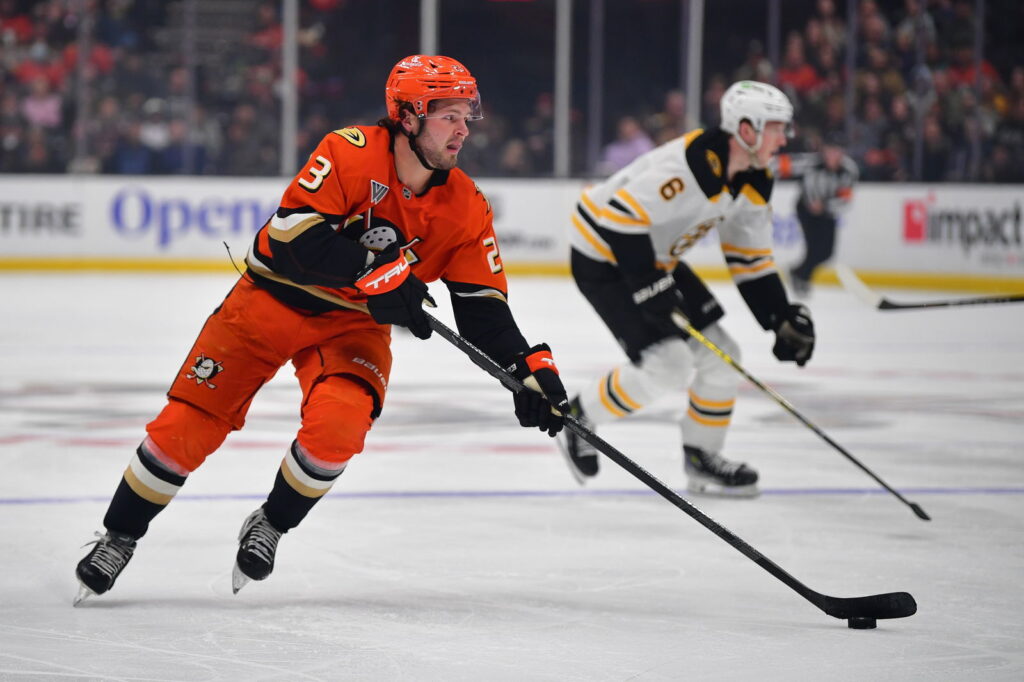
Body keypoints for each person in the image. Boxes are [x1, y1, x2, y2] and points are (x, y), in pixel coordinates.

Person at [73, 55, 571, 604]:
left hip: (352, 327)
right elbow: (291, 237)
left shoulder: (467, 208)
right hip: (269, 302)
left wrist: (525, 367)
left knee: (340, 427)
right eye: (447, 115)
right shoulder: (349, 151)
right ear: (408, 117)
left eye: (465, 115)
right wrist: (377, 271)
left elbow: (482, 308)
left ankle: (271, 523)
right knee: (186, 428)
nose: (463, 129)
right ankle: (119, 536)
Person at [558, 80, 815, 497]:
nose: (784, 139)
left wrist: (779, 318)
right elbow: (618, 219)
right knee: (669, 365)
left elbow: (748, 258)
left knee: (724, 357)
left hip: (653, 255)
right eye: (776, 128)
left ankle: (702, 458)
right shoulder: (691, 165)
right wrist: (652, 290)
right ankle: (577, 416)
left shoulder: (754, 177)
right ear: (746, 130)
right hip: (603, 255)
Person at [779, 130, 858, 297]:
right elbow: (783, 165)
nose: (832, 154)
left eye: (836, 150)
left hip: (829, 212)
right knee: (813, 248)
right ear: (824, 150)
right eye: (829, 149)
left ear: (842, 152)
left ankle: (798, 273)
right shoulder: (810, 163)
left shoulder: (848, 170)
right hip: (806, 209)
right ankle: (803, 278)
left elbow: (845, 200)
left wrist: (825, 206)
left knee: (826, 253)